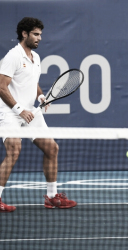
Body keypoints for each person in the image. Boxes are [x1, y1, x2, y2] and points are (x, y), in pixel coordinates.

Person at [0, 17, 76, 212]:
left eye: (40, 34)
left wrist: (41, 96)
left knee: (52, 148)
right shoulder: (13, 56)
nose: (39, 38)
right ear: (24, 34)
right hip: (10, 113)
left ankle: (52, 197)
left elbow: (32, 82)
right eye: (35, 34)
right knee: (14, 150)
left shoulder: (36, 57)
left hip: (30, 112)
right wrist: (19, 110)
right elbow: (1, 87)